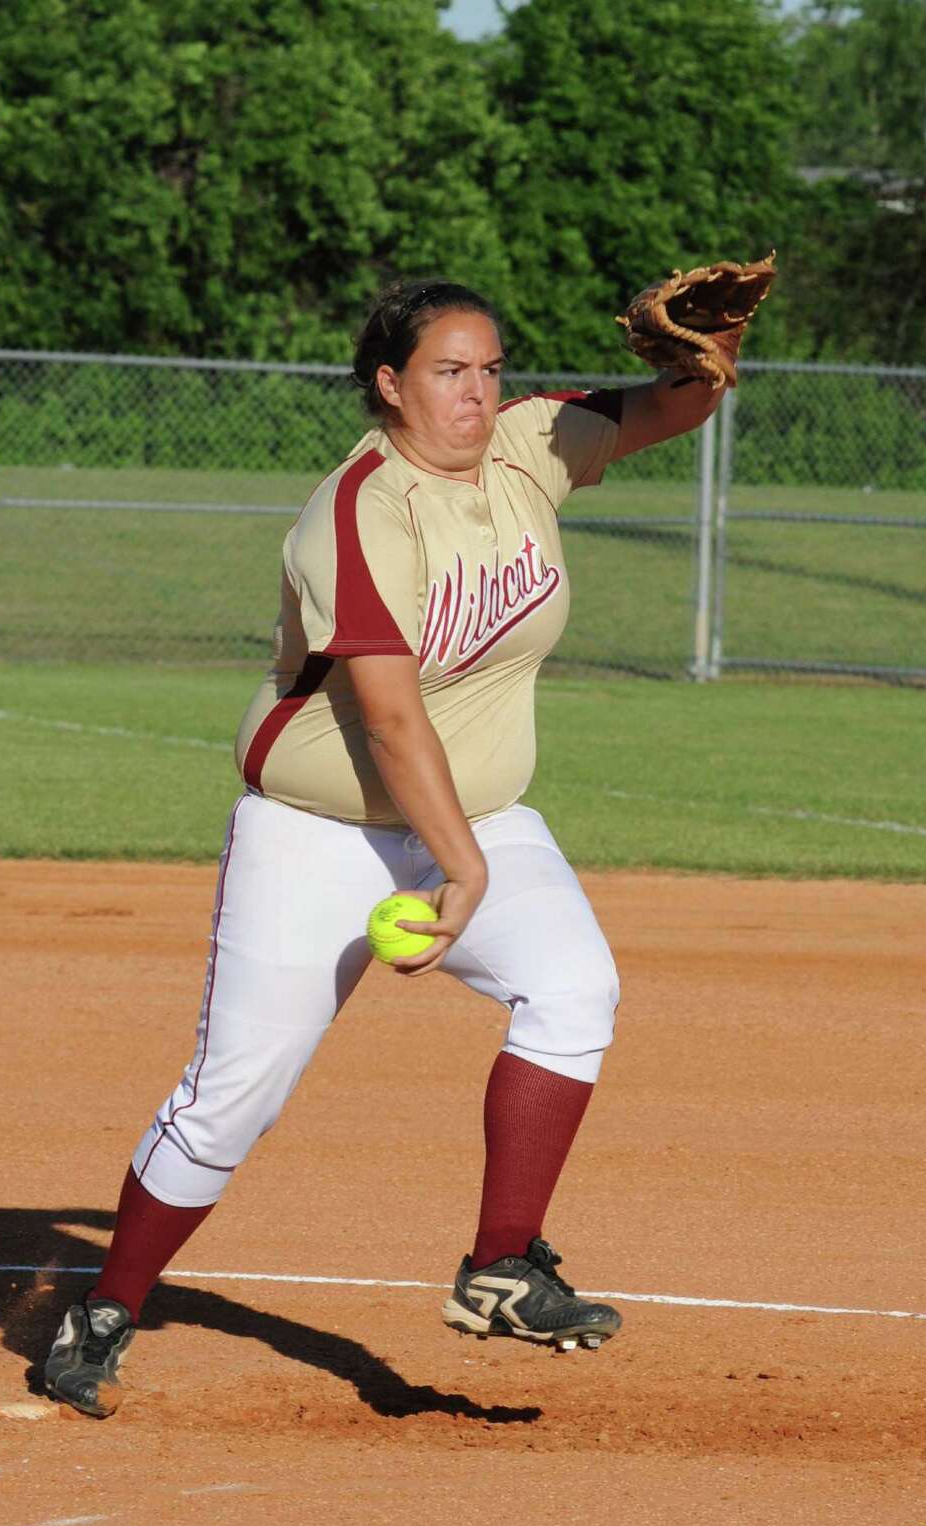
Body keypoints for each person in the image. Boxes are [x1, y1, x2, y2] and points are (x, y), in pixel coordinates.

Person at [44, 277, 732, 1418]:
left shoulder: (529, 445)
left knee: (574, 989)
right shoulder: (358, 508)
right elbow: (392, 715)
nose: (477, 392)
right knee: (235, 1095)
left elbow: (673, 408)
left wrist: (717, 348)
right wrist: (463, 871)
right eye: (448, 371)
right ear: (390, 384)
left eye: (491, 367)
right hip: (322, 830)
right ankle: (103, 1308)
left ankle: (502, 1266)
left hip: (477, 812)